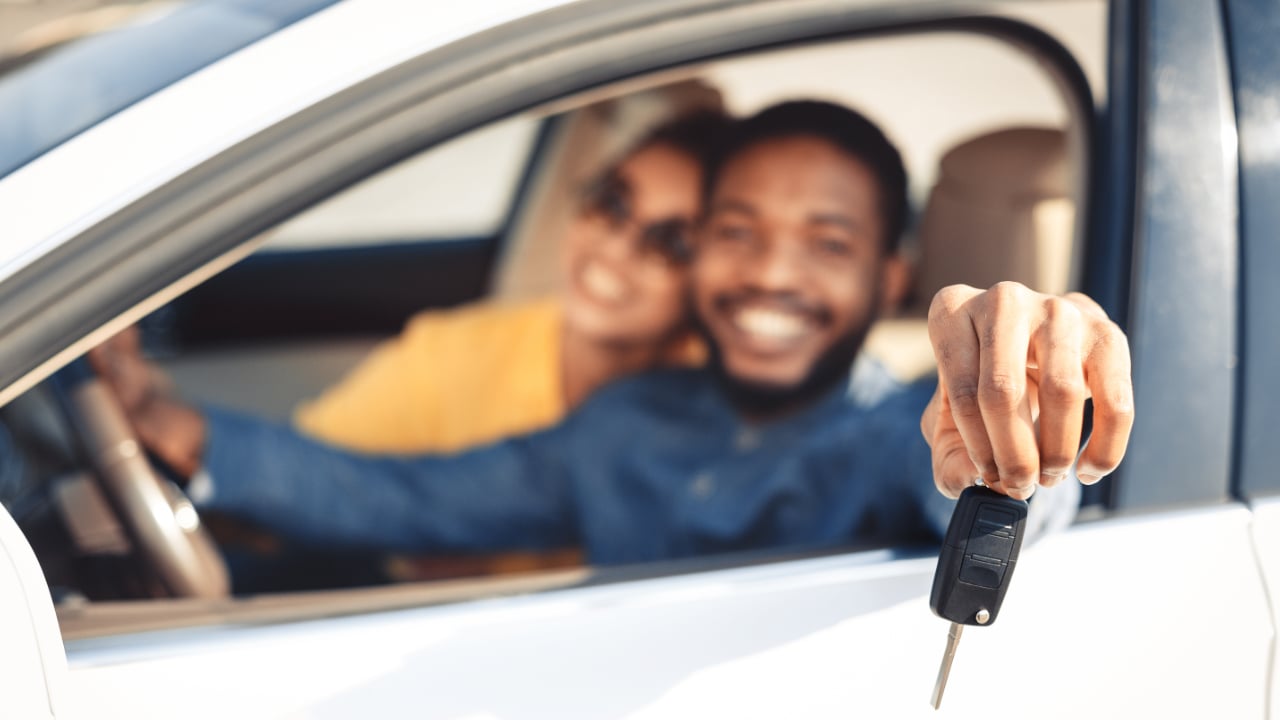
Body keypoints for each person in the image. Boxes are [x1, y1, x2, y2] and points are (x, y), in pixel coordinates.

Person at [93, 100, 1133, 565]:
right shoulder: (626, 421)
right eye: (734, 233)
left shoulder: (901, 427)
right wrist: (175, 426)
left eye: (824, 243)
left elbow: (982, 494)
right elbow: (407, 498)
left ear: (888, 275)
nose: (769, 272)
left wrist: (1021, 434)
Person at [291, 110, 727, 455]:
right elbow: (304, 473)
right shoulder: (451, 356)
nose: (616, 247)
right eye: (611, 204)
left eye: (671, 243)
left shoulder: (723, 411)